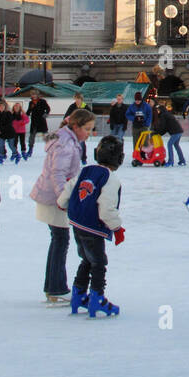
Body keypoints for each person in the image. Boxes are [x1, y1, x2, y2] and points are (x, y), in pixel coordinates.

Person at [30, 108, 96, 303]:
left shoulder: (68, 139)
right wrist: (63, 199)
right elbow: (58, 173)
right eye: (87, 128)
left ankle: (53, 287)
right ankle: (56, 287)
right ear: (75, 126)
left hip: (51, 195)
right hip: (54, 197)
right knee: (60, 240)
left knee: (58, 239)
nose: (89, 133)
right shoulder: (66, 144)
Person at [58, 134, 125, 317]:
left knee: (86, 259)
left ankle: (78, 295)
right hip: (93, 226)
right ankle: (97, 298)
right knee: (99, 262)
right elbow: (106, 208)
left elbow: (70, 187)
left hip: (77, 222)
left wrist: (62, 202)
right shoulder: (111, 178)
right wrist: (117, 228)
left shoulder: (85, 170)